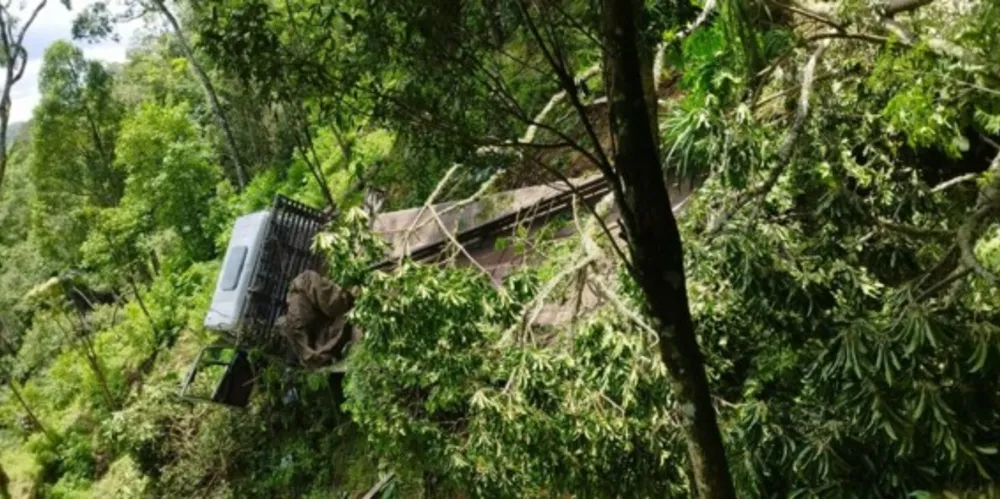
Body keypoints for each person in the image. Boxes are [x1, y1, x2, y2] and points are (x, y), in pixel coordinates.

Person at [279, 270, 357, 369]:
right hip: (328, 337)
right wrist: (349, 296)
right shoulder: (306, 280)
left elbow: (309, 357)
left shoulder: (293, 321)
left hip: (323, 343)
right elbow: (334, 305)